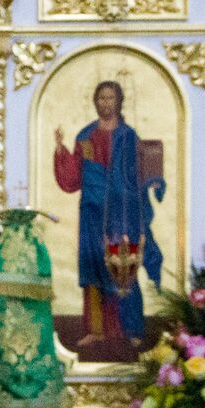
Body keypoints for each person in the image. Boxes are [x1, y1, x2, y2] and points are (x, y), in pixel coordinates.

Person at [53, 78, 163, 349]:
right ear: (95, 102)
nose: (105, 103)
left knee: (124, 266)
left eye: (110, 98)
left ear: (119, 101)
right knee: (93, 269)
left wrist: (152, 180)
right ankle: (96, 331)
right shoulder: (85, 136)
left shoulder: (128, 136)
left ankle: (132, 329)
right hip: (91, 212)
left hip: (121, 213)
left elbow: (141, 171)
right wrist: (60, 151)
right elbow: (73, 178)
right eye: (101, 98)